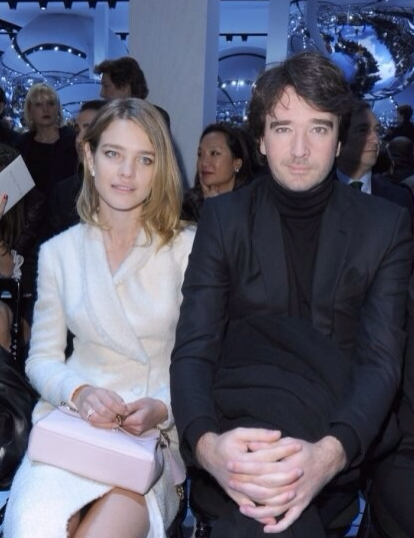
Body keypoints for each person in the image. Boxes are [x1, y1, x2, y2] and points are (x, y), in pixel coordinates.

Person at [170, 51, 413, 537]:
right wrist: (208, 447)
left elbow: (381, 362)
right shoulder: (225, 219)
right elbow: (194, 347)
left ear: (339, 138)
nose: (300, 149)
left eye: (318, 128)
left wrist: (327, 457)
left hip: (332, 439)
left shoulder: (384, 227)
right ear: (261, 139)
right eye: (283, 128)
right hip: (238, 438)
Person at [4, 98, 195, 538]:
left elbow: (201, 358)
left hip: (150, 440)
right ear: (89, 157)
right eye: (113, 154)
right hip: (71, 430)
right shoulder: (60, 253)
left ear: (160, 169)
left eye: (144, 159)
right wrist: (80, 391)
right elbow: (41, 359)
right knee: (36, 527)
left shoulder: (188, 248)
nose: (127, 172)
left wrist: (163, 406)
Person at [17, 82, 78, 241]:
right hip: (32, 225)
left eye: (50, 103)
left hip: (69, 219)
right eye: (38, 104)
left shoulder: (73, 140)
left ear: (57, 108)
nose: (46, 109)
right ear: (30, 111)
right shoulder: (22, 145)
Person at [336, 99, 414, 218]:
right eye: (362, 130)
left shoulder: (400, 198)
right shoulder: (312, 194)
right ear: (339, 139)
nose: (376, 140)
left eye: (377, 130)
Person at [49, 99, 105, 236]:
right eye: (77, 131)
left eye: (89, 129)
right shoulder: (64, 192)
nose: (79, 139)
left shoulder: (131, 186)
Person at [181, 123, 253, 222]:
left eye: (214, 153)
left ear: (237, 164)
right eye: (200, 154)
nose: (204, 162)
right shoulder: (185, 207)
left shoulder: (252, 206)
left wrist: (217, 208)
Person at [94, 56, 170, 128]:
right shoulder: (102, 117)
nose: (101, 93)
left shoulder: (154, 118)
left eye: (106, 86)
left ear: (125, 88)